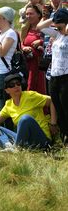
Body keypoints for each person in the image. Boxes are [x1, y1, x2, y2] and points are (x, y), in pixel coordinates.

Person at [0, 74, 57, 151]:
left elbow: (51, 101)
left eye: (18, 83)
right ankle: (10, 146)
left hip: (42, 139)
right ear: (6, 90)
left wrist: (53, 123)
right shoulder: (8, 104)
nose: (16, 86)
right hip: (26, 141)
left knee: (25, 119)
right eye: (12, 85)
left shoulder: (30, 96)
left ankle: (16, 148)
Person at [37, 8, 68, 140]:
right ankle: (64, 136)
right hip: (54, 76)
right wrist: (54, 18)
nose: (56, 27)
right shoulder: (57, 34)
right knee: (58, 107)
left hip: (66, 77)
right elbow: (40, 26)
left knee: (66, 108)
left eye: (59, 25)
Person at [21, 5, 46, 94]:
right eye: (27, 14)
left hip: (39, 65)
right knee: (29, 87)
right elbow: (21, 43)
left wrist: (41, 41)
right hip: (28, 64)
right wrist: (24, 48)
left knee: (39, 90)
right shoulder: (25, 28)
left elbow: (51, 40)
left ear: (39, 14)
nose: (28, 16)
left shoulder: (44, 28)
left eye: (31, 13)